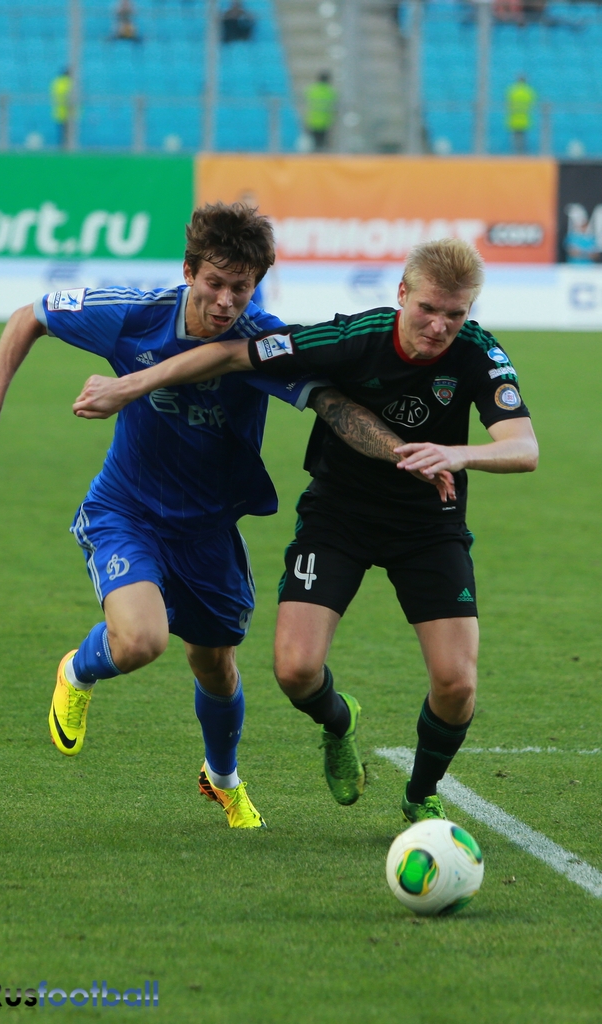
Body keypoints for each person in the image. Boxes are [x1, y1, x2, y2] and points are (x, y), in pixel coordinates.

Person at [0, 203, 433, 830]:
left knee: (216, 666)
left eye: (242, 287)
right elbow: (30, 316)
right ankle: (77, 668)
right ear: (188, 272)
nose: (227, 300)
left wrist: (400, 452)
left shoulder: (262, 340)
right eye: (215, 282)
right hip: (127, 510)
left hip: (208, 531)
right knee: (141, 640)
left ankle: (222, 779)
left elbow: (330, 404)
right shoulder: (135, 315)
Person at [72, 239, 538, 823]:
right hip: (337, 517)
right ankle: (339, 723)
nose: (440, 326)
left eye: (456, 313)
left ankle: (421, 794)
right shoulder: (353, 338)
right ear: (402, 294)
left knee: (456, 683)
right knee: (294, 671)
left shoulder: (478, 352)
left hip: (428, 527)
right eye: (428, 309)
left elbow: (524, 448)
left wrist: (457, 454)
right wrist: (132, 385)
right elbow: (232, 355)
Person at [304, 72, 337, 152]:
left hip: (312, 120)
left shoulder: (312, 90)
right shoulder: (331, 92)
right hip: (326, 121)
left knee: (313, 143)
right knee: (323, 143)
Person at [506, 75, 537, 154]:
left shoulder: (512, 90)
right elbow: (532, 104)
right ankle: (522, 154)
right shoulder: (529, 91)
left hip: (514, 118)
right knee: (523, 138)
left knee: (515, 138)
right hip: (525, 118)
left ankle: (516, 153)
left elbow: (508, 104)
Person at [50, 69, 73, 149]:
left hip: (59, 112)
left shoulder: (57, 82)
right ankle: (68, 149)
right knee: (69, 135)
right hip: (69, 113)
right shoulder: (70, 82)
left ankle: (62, 149)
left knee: (61, 135)